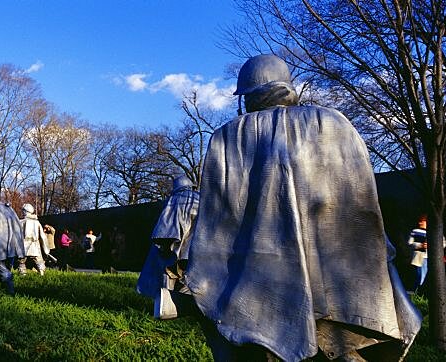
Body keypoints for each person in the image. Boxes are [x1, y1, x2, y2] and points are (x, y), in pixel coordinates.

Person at [185, 54, 420, 361]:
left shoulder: (228, 136)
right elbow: (361, 205)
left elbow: (218, 220)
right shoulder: (332, 122)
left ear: (247, 95)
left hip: (255, 285)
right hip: (332, 278)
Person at [136, 175, 199, 320]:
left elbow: (166, 228)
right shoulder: (201, 199)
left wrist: (165, 246)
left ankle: (166, 309)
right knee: (191, 280)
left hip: (178, 248)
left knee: (168, 273)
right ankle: (188, 309)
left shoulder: (175, 200)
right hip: (199, 248)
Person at [18, 203, 50, 276]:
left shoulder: (21, 222)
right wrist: (46, 248)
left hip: (24, 244)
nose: (22, 212)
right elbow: (42, 236)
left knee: (21, 261)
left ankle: (22, 274)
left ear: (26, 211)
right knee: (38, 259)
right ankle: (41, 273)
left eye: (23, 210)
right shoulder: (37, 222)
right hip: (35, 244)